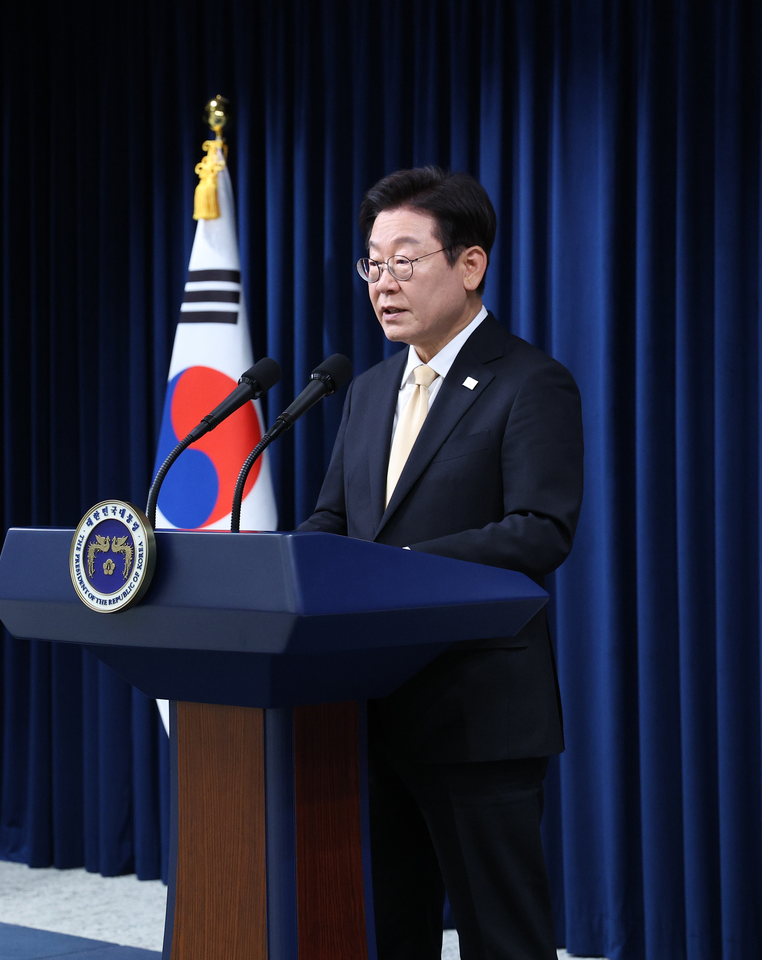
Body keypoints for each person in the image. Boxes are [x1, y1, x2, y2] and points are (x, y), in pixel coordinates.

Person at [296, 168, 583, 960]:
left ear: (470, 264)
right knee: (390, 935)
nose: (382, 284)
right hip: (369, 710)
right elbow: (333, 521)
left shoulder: (530, 382)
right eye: (372, 264)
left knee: (504, 940)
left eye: (404, 260)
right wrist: (286, 563)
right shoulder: (367, 392)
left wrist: (398, 567)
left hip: (477, 715)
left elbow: (539, 531)